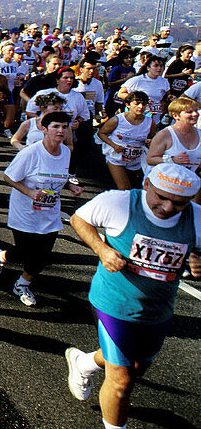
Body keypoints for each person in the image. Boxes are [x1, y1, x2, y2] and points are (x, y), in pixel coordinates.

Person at [65, 163, 201, 429]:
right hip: (114, 302)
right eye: (161, 198)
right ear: (147, 185)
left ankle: (84, 361)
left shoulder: (197, 217)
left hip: (157, 309)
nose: (168, 208)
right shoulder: (118, 203)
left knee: (136, 367)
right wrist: (102, 249)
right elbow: (79, 219)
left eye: (179, 203)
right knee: (122, 380)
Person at [0, 111, 82, 306]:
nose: (61, 131)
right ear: (44, 129)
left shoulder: (66, 152)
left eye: (65, 127)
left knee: (43, 256)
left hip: (50, 212)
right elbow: (8, 177)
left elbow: (58, 178)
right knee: (24, 253)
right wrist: (29, 192)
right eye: (56, 126)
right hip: (25, 212)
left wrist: (71, 186)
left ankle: (22, 285)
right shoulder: (30, 152)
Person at [98, 92, 155, 191]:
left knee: (131, 187)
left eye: (144, 104)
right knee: (124, 188)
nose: (140, 107)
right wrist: (114, 145)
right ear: (128, 105)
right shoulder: (118, 120)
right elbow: (101, 133)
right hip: (116, 158)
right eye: (136, 103)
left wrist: (150, 142)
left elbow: (152, 138)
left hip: (135, 160)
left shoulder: (150, 122)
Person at [144, 96, 201, 176]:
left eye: (196, 110)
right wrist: (172, 160)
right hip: (164, 182)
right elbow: (150, 159)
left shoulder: (199, 134)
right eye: (189, 112)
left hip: (188, 182)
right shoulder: (165, 134)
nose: (195, 114)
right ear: (176, 116)